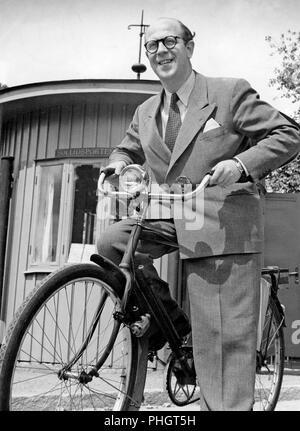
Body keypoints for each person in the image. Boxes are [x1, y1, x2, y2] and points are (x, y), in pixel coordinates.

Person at [97, 17, 300, 411]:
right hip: (172, 213)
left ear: (190, 47)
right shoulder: (145, 112)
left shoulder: (229, 92)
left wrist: (241, 164)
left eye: (170, 41)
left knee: (222, 348)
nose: (160, 51)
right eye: (152, 46)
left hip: (221, 221)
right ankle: (170, 327)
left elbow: (288, 134)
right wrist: (115, 164)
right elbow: (127, 150)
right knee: (113, 242)